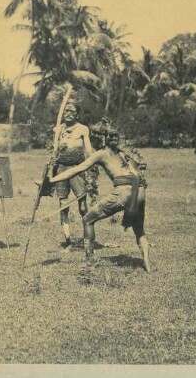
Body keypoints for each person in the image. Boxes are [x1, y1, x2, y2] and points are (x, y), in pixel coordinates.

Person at [49, 122, 152, 271]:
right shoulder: (124, 152)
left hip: (124, 192)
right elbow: (140, 168)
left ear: (101, 140)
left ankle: (90, 261)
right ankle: (147, 263)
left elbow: (76, 169)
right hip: (140, 191)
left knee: (87, 219)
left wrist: (51, 180)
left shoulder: (101, 153)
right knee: (139, 230)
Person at [50, 100, 93, 252]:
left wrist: (90, 168)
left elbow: (88, 151)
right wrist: (53, 157)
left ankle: (88, 240)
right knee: (63, 206)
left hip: (77, 169)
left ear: (77, 114)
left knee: (82, 206)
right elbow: (53, 151)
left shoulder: (82, 129)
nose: (68, 114)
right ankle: (68, 242)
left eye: (72, 111)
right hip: (61, 169)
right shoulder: (58, 130)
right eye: (66, 111)